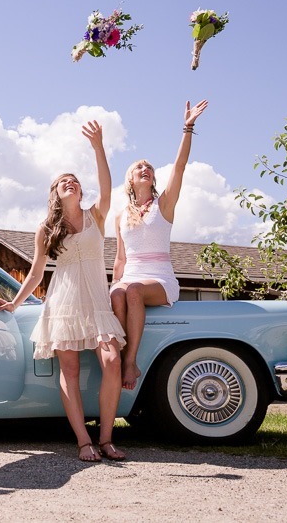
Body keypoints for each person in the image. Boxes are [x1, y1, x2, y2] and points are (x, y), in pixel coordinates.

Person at [0, 121, 126, 462]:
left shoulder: (96, 216)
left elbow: (108, 185)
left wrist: (98, 146)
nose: (70, 183)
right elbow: (37, 270)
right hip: (64, 304)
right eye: (62, 182)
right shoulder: (46, 228)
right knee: (68, 372)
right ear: (55, 193)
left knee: (112, 362)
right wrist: (14, 302)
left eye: (75, 181)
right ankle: (84, 441)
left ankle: (107, 438)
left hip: (97, 302)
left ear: (81, 192)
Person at [110, 99, 208, 391]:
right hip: (130, 278)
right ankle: (115, 356)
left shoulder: (163, 205)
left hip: (159, 280)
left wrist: (187, 127)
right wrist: (115, 285)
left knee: (134, 291)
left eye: (149, 167)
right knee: (118, 292)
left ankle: (130, 361)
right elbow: (120, 258)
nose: (145, 168)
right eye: (139, 166)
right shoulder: (121, 216)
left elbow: (179, 166)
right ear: (130, 179)